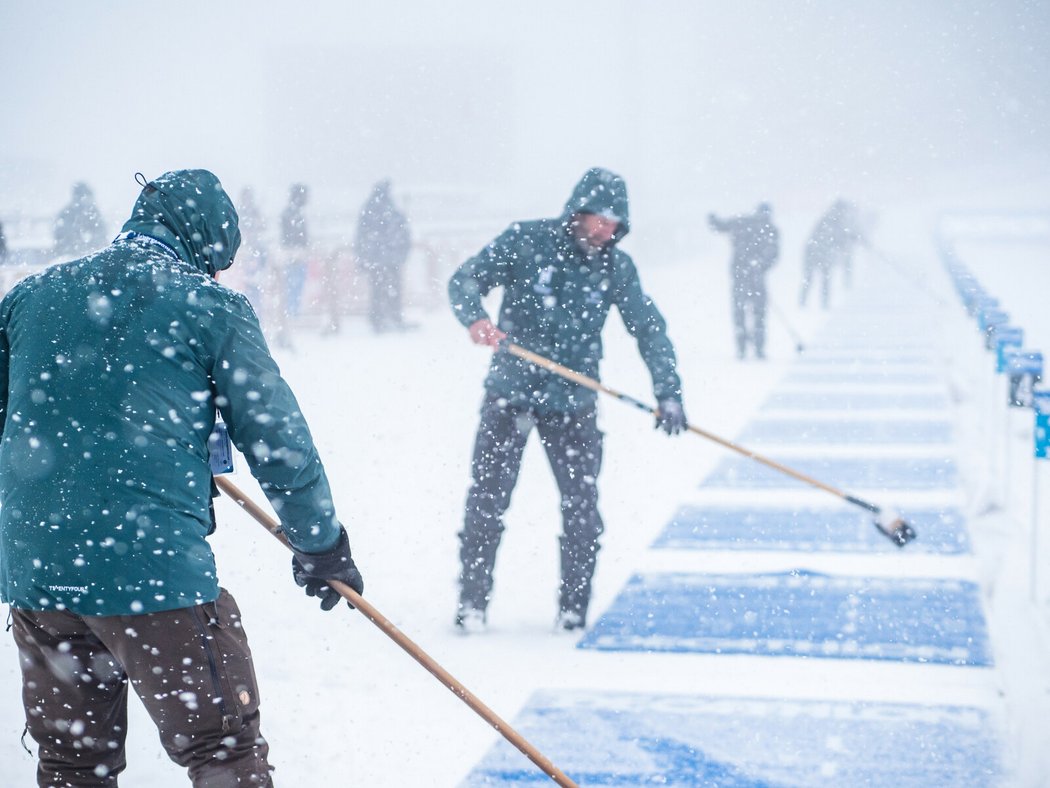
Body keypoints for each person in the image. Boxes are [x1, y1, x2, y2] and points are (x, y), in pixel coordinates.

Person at [0, 169, 364, 787]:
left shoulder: (33, 296)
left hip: (40, 570)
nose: (217, 274)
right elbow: (278, 439)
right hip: (150, 570)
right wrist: (322, 544)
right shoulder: (207, 305)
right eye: (216, 260)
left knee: (72, 761)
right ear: (203, 242)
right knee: (223, 749)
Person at [447, 167, 687, 634]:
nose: (607, 231)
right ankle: (472, 604)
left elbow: (649, 329)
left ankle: (573, 610)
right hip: (509, 394)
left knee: (582, 510)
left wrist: (669, 392)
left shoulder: (616, 267)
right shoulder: (525, 241)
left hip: (574, 402)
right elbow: (466, 279)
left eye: (616, 224)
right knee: (486, 504)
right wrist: (475, 318)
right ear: (579, 210)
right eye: (601, 219)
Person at [708, 203, 779, 360]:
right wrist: (760, 265)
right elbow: (774, 255)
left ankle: (745, 348)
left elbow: (721, 226)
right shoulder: (768, 229)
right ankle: (755, 348)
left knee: (742, 312)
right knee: (757, 313)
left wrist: (713, 221)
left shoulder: (745, 222)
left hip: (742, 275)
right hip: (751, 276)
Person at [354, 180, 413, 333]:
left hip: (376, 259)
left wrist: (362, 257)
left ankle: (378, 319)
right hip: (390, 259)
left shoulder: (369, 210)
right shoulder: (391, 210)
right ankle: (393, 317)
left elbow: (361, 236)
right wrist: (401, 253)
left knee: (377, 289)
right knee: (392, 288)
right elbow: (403, 233)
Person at [799, 199, 863, 310]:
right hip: (818, 253)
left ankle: (811, 303)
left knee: (816, 279)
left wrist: (851, 238)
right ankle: (810, 304)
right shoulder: (832, 221)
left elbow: (839, 238)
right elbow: (838, 238)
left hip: (818, 253)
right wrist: (850, 238)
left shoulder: (832, 220)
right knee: (817, 279)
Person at [276, 183, 310, 346]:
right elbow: (292, 235)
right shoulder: (292, 214)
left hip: (292, 252)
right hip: (294, 253)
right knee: (294, 283)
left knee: (293, 283)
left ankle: (291, 311)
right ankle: (291, 312)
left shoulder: (291, 212)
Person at [53, 181, 108, 259]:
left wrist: (93, 245)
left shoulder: (93, 212)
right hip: (70, 255)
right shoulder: (67, 214)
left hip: (88, 253)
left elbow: (101, 232)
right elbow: (64, 236)